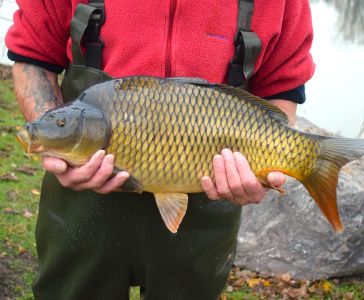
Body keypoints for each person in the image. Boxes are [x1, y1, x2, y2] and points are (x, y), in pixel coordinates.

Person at [6, 0, 315, 299]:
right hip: (81, 201)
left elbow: (281, 84)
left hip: (210, 192)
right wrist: (50, 130)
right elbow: (34, 53)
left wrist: (266, 165)